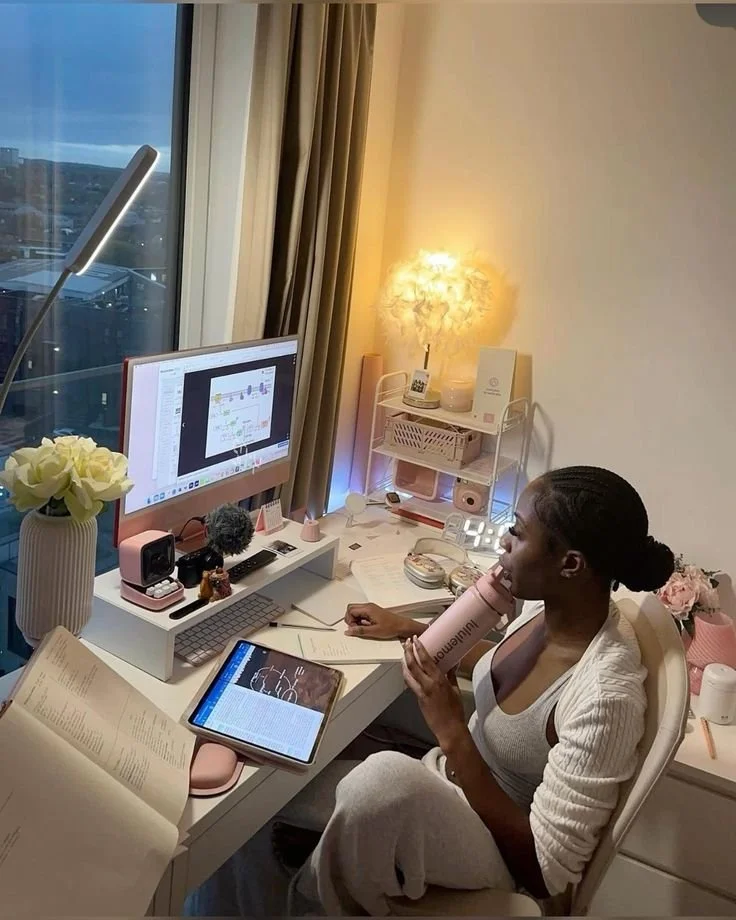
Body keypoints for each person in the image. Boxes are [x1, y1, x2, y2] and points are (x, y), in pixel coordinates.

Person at [288, 466, 676, 916]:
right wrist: (411, 630)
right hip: (448, 784)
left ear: (570, 564)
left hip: (504, 857)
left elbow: (545, 872)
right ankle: (330, 862)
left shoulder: (606, 697)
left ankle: (316, 894)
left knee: (377, 782)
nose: (503, 544)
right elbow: (505, 675)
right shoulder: (554, 611)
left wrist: (451, 729)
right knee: (293, 777)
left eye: (517, 533)